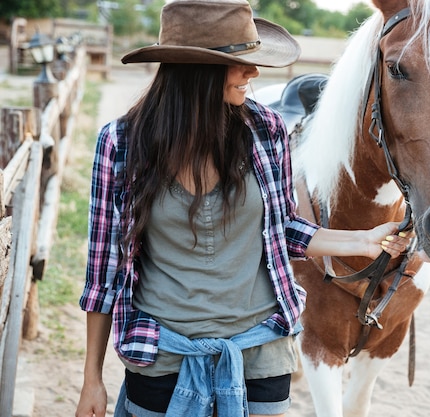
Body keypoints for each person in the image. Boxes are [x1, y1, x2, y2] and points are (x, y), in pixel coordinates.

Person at [75, 1, 410, 416]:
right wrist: (92, 378)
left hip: (261, 353)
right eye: (240, 62)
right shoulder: (122, 144)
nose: (253, 72)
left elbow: (284, 228)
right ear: (197, 70)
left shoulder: (265, 130)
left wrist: (365, 239)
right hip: (161, 356)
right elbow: (104, 271)